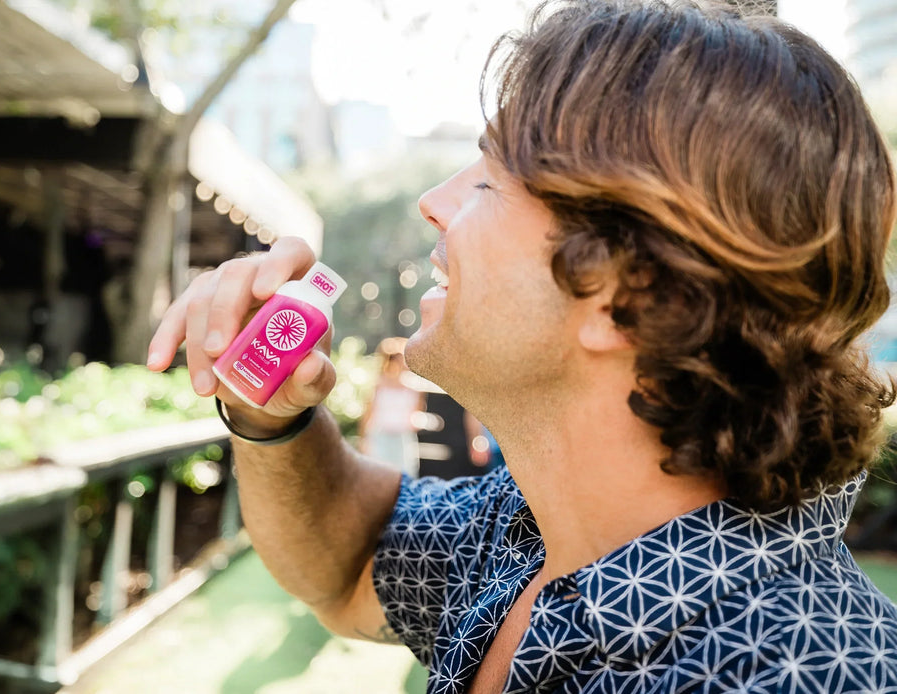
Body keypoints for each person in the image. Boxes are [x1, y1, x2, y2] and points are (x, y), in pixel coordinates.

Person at [147, 1, 897, 691]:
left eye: (489, 181)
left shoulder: (803, 675)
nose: (434, 202)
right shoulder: (529, 524)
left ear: (628, 289)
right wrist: (270, 414)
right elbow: (347, 570)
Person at [359, 337, 424, 477]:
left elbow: (416, 413)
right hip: (380, 437)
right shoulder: (378, 386)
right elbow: (368, 413)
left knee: (405, 476)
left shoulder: (414, 389)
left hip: (402, 438)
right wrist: (364, 439)